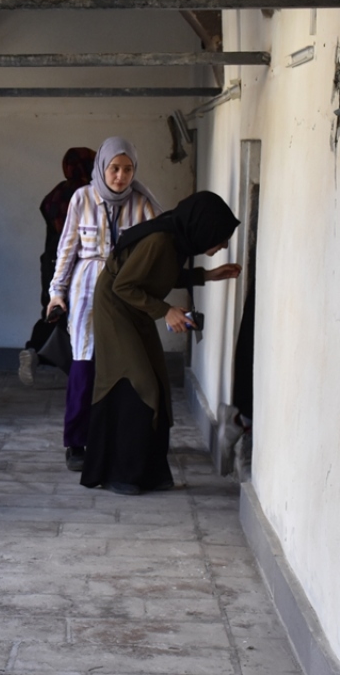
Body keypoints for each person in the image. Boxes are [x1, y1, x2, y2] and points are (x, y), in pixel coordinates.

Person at [81, 191, 241, 495]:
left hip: (137, 307)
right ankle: (120, 473)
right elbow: (123, 285)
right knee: (138, 383)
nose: (223, 246)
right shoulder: (161, 240)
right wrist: (166, 311)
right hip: (116, 308)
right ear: (204, 228)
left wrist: (207, 275)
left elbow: (160, 274)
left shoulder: (177, 240)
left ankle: (149, 472)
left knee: (158, 382)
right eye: (220, 238)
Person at [46, 137, 163, 472]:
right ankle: (77, 441)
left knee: (126, 365)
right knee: (85, 363)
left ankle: (119, 438)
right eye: (114, 168)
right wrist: (57, 292)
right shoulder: (82, 198)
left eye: (127, 169)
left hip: (125, 289)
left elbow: (158, 244)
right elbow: (66, 249)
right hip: (86, 290)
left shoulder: (141, 203)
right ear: (103, 167)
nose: (120, 176)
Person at [19, 147, 96, 385]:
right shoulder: (90, 195)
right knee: (83, 314)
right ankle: (79, 373)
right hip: (80, 262)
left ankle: (33, 350)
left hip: (51, 260)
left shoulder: (54, 195)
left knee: (53, 312)